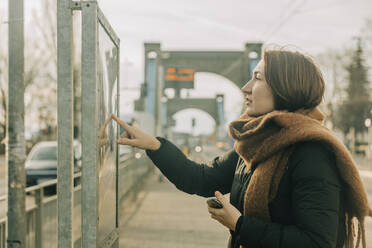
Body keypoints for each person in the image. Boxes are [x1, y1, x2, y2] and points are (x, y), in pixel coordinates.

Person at [111, 48, 372, 248]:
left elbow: (317, 242)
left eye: (257, 78)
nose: (246, 88)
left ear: (285, 89)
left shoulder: (312, 153)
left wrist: (239, 224)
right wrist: (154, 145)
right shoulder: (254, 144)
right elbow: (200, 179)